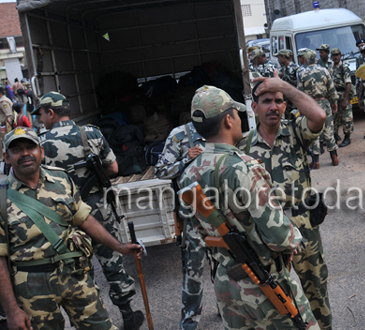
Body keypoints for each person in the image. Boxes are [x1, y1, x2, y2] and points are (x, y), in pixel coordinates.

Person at [178, 85, 319, 330]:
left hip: (226, 282)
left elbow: (197, 230)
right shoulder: (241, 167)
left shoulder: (188, 172)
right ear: (229, 119)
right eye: (237, 114)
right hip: (261, 282)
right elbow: (279, 236)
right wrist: (293, 240)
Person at [0, 126, 142, 330]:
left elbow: (84, 218)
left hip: (74, 274)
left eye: (30, 148)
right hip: (32, 286)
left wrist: (118, 246)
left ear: (41, 151)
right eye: (17, 150)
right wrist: (12, 311)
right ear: (6, 156)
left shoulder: (61, 179)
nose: (25, 154)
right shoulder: (2, 197)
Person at [34, 92, 144, 330]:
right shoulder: (91, 133)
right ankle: (127, 314)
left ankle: (92, 318)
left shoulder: (41, 144)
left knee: (79, 268)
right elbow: (113, 167)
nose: (41, 119)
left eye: (41, 114)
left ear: (50, 112)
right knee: (112, 262)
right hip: (98, 210)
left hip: (64, 217)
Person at [237, 73, 331, 330]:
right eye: (266, 101)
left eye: (279, 101)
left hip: (303, 228)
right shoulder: (243, 145)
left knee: (316, 292)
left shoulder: (295, 132)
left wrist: (285, 87)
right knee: (275, 297)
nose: (273, 107)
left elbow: (319, 116)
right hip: (266, 233)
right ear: (254, 107)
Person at [154, 122, 211, 330]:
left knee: (227, 266)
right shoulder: (180, 135)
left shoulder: (226, 128)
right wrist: (186, 158)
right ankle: (189, 322)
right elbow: (160, 171)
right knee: (193, 270)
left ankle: (228, 311)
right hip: (194, 216)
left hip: (223, 212)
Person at [298, 50, 339, 168]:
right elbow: (331, 88)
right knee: (329, 130)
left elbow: (300, 94)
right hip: (325, 103)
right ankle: (334, 157)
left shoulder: (303, 74)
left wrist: (302, 108)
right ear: (316, 59)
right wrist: (334, 102)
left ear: (305, 60)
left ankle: (316, 161)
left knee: (314, 132)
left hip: (311, 106)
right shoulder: (324, 70)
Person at [330, 47, 353, 147]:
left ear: (340, 56)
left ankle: (347, 137)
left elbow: (348, 84)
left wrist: (345, 100)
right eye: (333, 55)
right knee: (335, 118)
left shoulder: (344, 67)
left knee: (346, 118)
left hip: (343, 95)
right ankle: (335, 136)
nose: (335, 57)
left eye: (337, 55)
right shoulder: (331, 68)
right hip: (334, 97)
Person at [0, 87, 14, 164]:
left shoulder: (3, 102)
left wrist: (7, 128)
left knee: (5, 141)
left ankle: (5, 158)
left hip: (4, 125)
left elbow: (8, 115)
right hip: (4, 125)